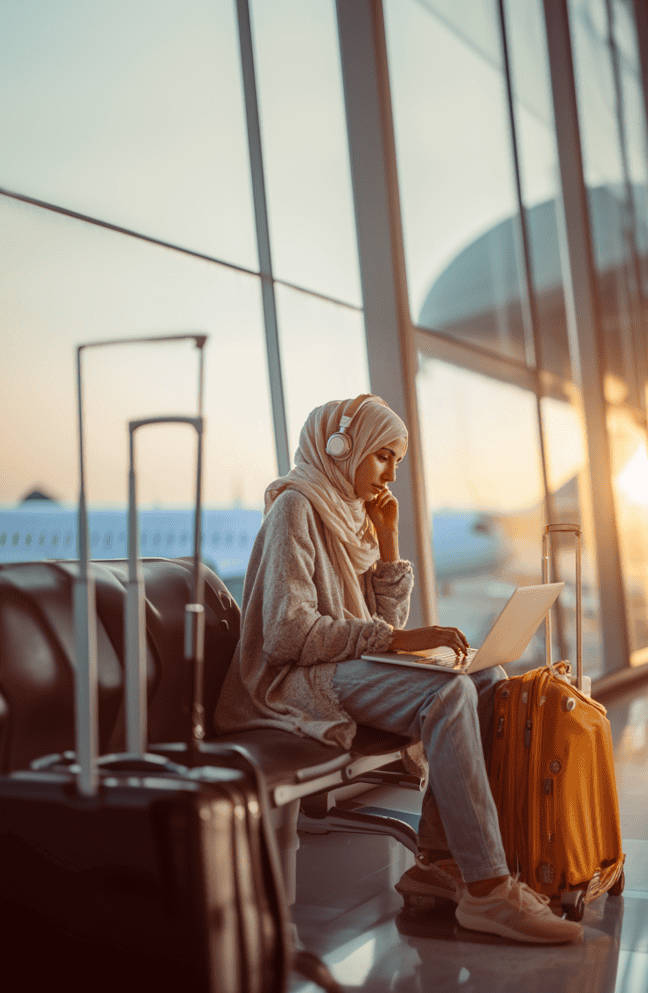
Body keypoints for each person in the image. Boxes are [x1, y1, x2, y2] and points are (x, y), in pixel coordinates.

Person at [215, 393, 581, 945]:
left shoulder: (351, 517)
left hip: (341, 668)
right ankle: (488, 889)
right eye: (382, 456)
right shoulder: (296, 508)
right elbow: (287, 634)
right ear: (342, 447)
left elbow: (380, 620)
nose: (390, 472)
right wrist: (398, 638)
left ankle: (438, 863)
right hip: (294, 684)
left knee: (486, 681)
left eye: (397, 461)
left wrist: (387, 542)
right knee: (447, 694)